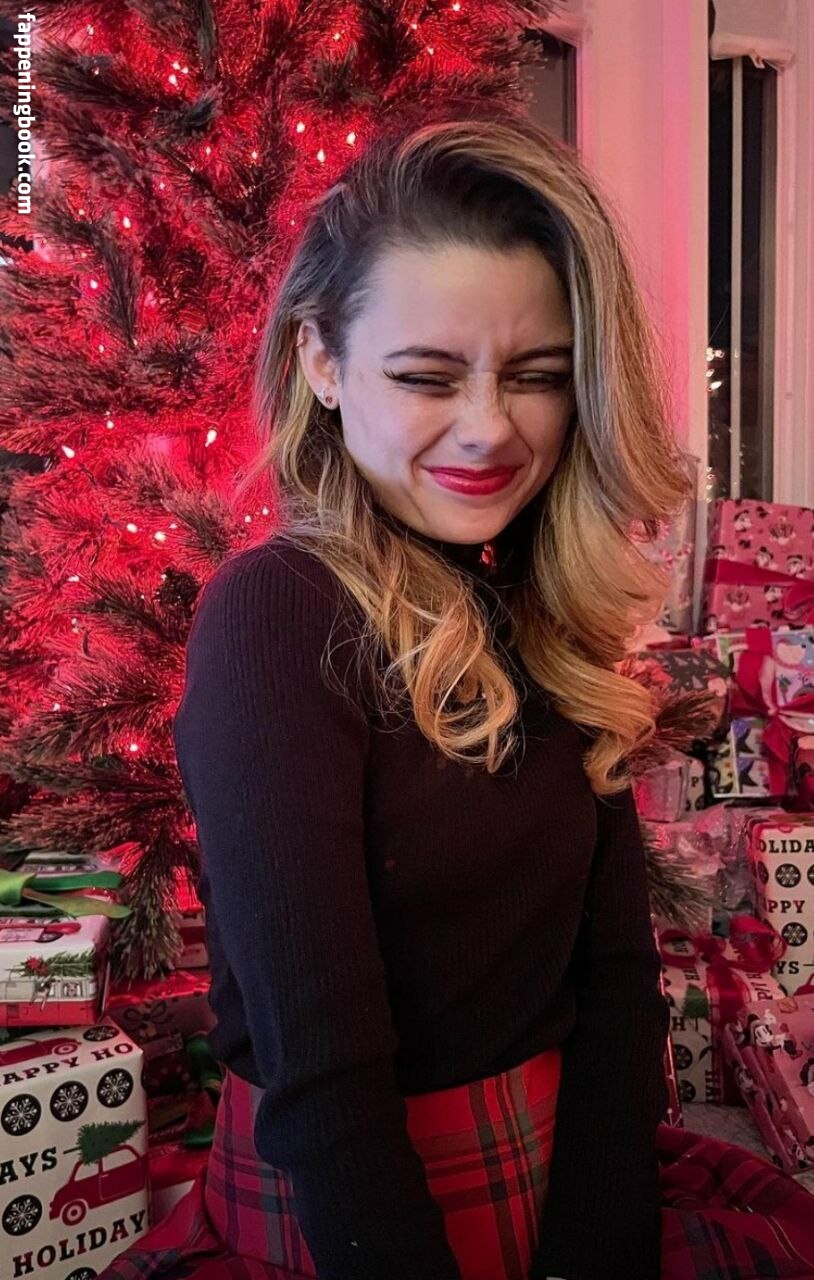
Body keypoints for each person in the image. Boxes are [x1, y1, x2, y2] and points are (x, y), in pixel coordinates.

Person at [100, 115, 814, 1280]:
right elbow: (321, 1062)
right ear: (322, 363)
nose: (488, 428)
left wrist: (594, 1249)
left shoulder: (536, 602)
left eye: (536, 376)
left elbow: (614, 979)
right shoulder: (273, 614)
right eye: (425, 375)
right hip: (357, 1223)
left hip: (557, 1193)